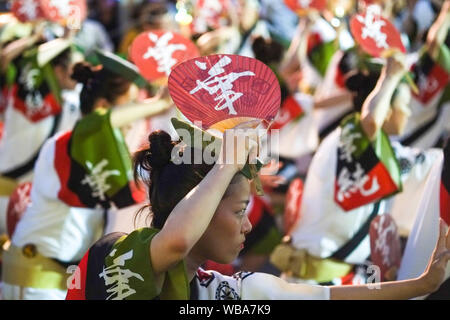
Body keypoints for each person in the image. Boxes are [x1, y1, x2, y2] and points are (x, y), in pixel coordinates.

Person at [65, 119, 450, 300]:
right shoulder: (119, 254)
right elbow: (178, 241)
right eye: (238, 211)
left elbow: (324, 298)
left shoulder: (227, 294)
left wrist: (421, 285)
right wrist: (225, 166)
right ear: (201, 206)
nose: (248, 224)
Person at [1, 54, 173, 300]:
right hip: (34, 280)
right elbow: (96, 125)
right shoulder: (65, 144)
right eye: (131, 104)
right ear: (103, 107)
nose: (136, 115)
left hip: (57, 281)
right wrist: (156, 104)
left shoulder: (103, 152)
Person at [271, 51, 442, 286]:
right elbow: (370, 122)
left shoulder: (380, 151)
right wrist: (390, 77)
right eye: (405, 104)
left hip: (338, 278)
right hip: (312, 281)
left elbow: (426, 165)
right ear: (387, 111)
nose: (409, 112)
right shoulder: (349, 140)